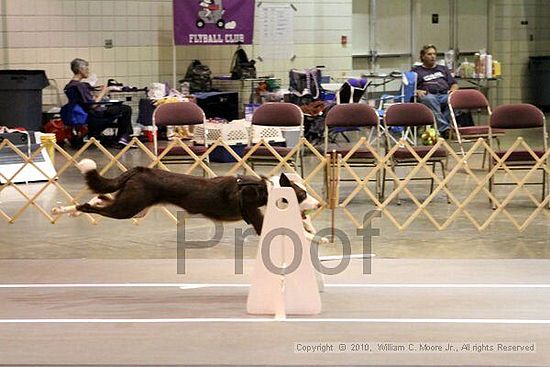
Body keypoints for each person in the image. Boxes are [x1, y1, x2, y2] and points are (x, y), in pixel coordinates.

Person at [64, 58, 133, 148]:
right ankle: (122, 138)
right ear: (80, 70)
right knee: (125, 109)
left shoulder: (70, 85)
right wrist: (104, 91)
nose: (88, 71)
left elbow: (84, 100)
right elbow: (93, 105)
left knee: (120, 109)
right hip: (93, 114)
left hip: (82, 114)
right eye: (87, 69)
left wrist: (96, 94)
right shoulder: (80, 86)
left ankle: (121, 138)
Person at [412, 44, 458, 139]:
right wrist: (417, 91)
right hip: (428, 95)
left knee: (454, 100)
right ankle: (445, 129)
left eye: (434, 54)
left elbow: (454, 84)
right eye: (429, 54)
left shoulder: (443, 69)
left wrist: (453, 90)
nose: (433, 56)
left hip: (444, 94)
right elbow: (409, 88)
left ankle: (443, 128)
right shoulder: (416, 71)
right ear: (423, 56)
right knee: (430, 100)